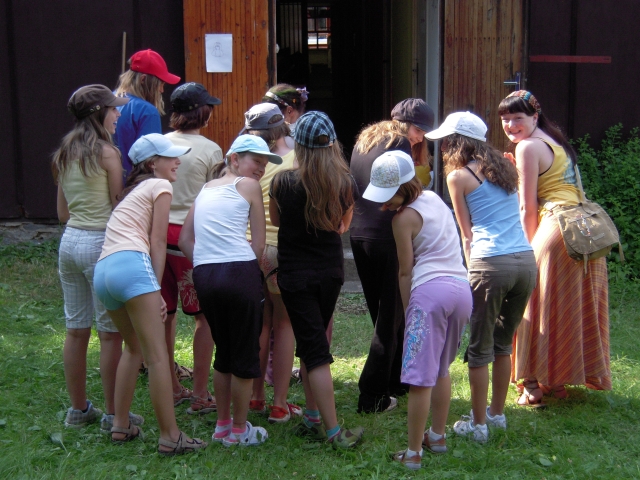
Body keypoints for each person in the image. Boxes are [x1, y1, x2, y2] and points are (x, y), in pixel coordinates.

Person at [426, 112, 537, 443]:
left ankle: (478, 426)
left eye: (446, 141)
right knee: (503, 344)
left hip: (491, 264)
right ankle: (496, 415)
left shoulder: (458, 177)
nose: (442, 147)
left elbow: (467, 234)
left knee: (479, 348)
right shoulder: (507, 169)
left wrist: (467, 272)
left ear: (455, 143)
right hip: (525, 262)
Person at [93, 133, 207, 455]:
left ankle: (120, 425)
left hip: (104, 271)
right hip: (132, 265)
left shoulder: (131, 193)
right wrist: (156, 289)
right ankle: (170, 436)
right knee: (157, 357)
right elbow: (158, 241)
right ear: (152, 163)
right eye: (171, 157)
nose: (178, 161)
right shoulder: (160, 186)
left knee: (133, 348)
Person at [498, 90, 611, 405]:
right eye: (505, 119)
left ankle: (533, 384)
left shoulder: (527, 146)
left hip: (556, 230)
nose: (510, 125)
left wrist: (525, 247)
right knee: (566, 306)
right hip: (585, 231)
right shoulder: (556, 141)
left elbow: (527, 207)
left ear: (534, 117)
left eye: (517, 118)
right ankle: (557, 381)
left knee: (533, 304)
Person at [361, 151, 471, 470]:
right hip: (461, 291)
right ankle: (437, 436)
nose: (383, 205)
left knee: (421, 378)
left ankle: (412, 454)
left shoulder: (402, 220)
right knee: (441, 370)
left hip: (430, 294)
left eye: (388, 196)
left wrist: (410, 310)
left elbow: (405, 271)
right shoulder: (435, 199)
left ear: (404, 187)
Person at [179, 135, 282, 446]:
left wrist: (206, 261)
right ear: (234, 159)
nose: (261, 169)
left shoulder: (206, 189)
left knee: (223, 352)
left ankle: (222, 426)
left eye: (265, 165)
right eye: (256, 162)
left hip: (205, 275)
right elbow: (259, 244)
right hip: (239, 271)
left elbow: (184, 239)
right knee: (245, 353)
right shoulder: (248, 186)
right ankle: (239, 431)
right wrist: (244, 269)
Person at [269, 111, 364, 449]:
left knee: (315, 351)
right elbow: (342, 226)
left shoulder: (282, 182)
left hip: (295, 275)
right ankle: (312, 416)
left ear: (299, 146)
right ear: (332, 144)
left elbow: (276, 221)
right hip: (330, 273)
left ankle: (333, 431)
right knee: (314, 345)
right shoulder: (345, 182)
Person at [53, 85, 144, 432]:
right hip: (99, 243)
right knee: (110, 335)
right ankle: (112, 414)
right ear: (98, 113)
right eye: (113, 108)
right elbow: (118, 204)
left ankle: (78, 410)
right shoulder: (107, 152)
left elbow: (62, 213)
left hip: (70, 242)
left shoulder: (64, 153)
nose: (118, 113)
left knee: (76, 330)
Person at [350, 98, 435, 413]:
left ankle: (396, 380)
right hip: (387, 235)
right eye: (419, 130)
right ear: (404, 124)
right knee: (391, 318)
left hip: (360, 234)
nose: (419, 138)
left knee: (384, 315)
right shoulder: (398, 144)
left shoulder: (365, 140)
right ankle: (372, 395)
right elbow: (408, 192)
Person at [161, 82, 222, 414]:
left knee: (165, 315)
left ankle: (171, 387)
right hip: (191, 238)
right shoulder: (211, 150)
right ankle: (200, 393)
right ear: (203, 113)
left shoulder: (160, 143)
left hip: (158, 236)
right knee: (204, 318)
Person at [242, 103, 303, 423]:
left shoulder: (246, 159)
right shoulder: (296, 158)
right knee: (284, 323)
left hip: (250, 248)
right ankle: (279, 404)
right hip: (280, 249)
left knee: (260, 322)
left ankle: (255, 397)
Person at [114, 49, 181, 177]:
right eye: (160, 84)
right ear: (143, 79)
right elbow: (150, 162)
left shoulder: (109, 102)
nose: (162, 90)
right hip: (133, 184)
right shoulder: (147, 111)